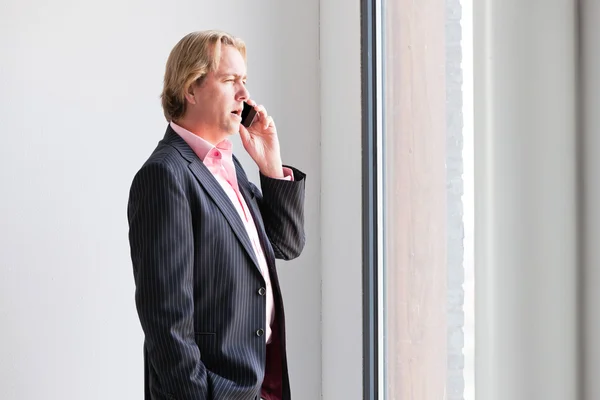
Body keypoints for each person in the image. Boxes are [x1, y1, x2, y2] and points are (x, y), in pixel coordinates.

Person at [127, 30, 306, 400]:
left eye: (244, 81)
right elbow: (167, 324)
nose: (244, 94)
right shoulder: (166, 175)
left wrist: (271, 165)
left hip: (262, 385)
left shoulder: (228, 166)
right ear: (191, 89)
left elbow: (286, 244)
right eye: (230, 81)